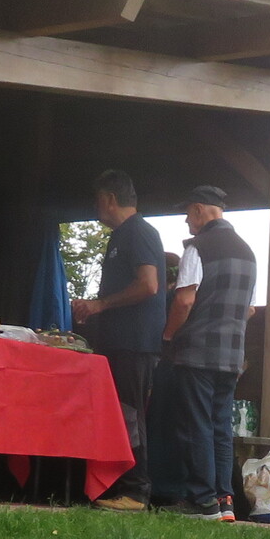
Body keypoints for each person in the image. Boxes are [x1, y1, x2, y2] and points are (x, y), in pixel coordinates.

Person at [152, 185, 256, 519]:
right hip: (231, 356)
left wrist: (168, 336)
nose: (187, 222)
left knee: (196, 424)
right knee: (220, 428)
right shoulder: (248, 253)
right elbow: (249, 309)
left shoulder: (198, 247)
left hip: (197, 352)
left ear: (199, 210)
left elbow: (184, 300)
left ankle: (201, 501)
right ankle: (225, 502)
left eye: (187, 214)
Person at [71, 170, 165, 511]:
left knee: (130, 415)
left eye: (98, 199)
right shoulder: (121, 236)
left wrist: (101, 304)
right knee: (118, 415)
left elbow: (149, 285)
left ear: (110, 199)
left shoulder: (139, 231)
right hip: (117, 341)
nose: (96, 206)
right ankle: (116, 485)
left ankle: (136, 491)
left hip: (134, 343)